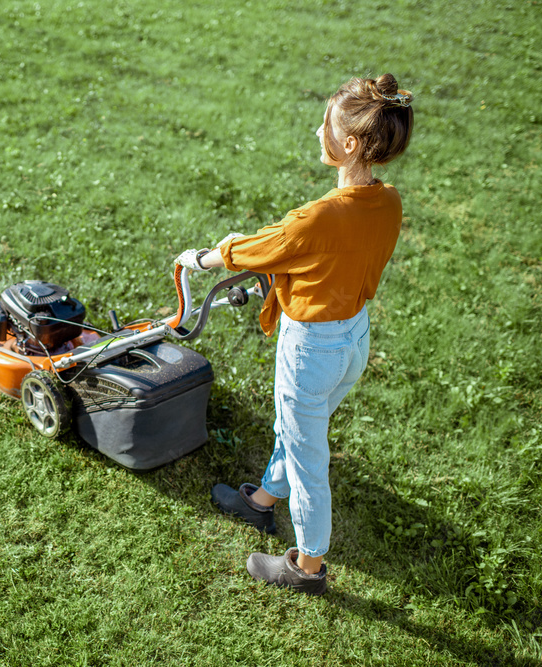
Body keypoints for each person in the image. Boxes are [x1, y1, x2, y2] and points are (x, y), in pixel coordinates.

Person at [174, 74, 415, 596]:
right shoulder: (388, 202)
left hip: (312, 348)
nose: (317, 131)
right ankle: (261, 503)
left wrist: (198, 259)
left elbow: (264, 246)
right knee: (296, 427)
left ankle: (306, 567)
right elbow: (326, 254)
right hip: (353, 341)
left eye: (324, 126)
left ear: (348, 144)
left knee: (309, 457)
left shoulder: (318, 218)